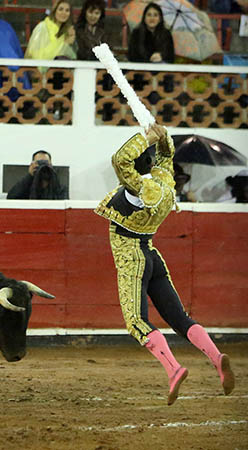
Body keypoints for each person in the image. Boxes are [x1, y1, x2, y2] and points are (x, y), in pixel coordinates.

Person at [95, 124, 235, 405]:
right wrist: (161, 137)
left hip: (132, 258)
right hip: (152, 255)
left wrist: (146, 137)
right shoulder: (164, 182)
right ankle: (216, 357)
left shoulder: (138, 188)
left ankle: (174, 370)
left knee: (137, 322)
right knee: (179, 318)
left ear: (134, 169)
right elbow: (166, 155)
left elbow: (120, 160)